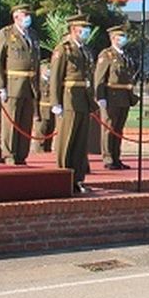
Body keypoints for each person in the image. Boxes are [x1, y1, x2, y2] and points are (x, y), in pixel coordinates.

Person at [49, 15, 95, 191]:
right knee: (67, 140)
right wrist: (56, 102)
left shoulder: (85, 50)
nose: (86, 32)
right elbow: (55, 77)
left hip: (83, 98)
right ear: (73, 29)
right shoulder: (63, 49)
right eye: (83, 28)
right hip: (69, 98)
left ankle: (78, 179)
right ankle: (63, 177)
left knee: (80, 142)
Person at [0, 3, 39, 165]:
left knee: (25, 122)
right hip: (13, 84)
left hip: (30, 84)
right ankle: (10, 154)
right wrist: (1, 86)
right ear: (16, 17)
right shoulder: (6, 34)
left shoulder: (32, 35)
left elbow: (36, 62)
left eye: (28, 15)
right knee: (12, 122)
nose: (28, 18)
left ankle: (21, 155)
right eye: (24, 15)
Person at [93, 25, 137, 170]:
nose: (124, 39)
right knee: (109, 128)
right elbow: (99, 78)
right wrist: (100, 97)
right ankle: (108, 158)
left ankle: (117, 157)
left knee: (118, 129)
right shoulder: (106, 55)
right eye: (121, 36)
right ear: (113, 38)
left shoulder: (125, 56)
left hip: (123, 97)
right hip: (110, 97)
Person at [34, 60, 55, 153]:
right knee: (41, 135)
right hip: (42, 110)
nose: (48, 70)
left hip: (52, 110)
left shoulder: (52, 81)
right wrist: (36, 114)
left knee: (50, 133)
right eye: (46, 68)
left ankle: (48, 150)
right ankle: (40, 152)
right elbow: (35, 98)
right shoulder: (38, 82)